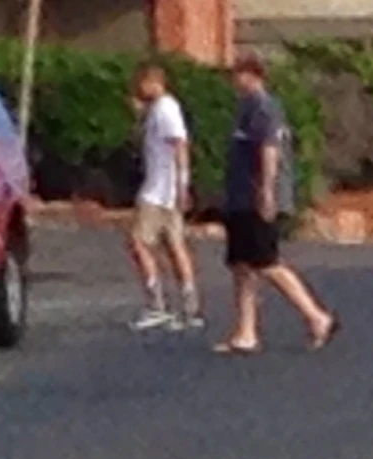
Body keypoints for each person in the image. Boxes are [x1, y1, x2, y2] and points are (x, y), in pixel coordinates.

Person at [216, 54, 337, 355]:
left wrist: (267, 192)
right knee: (242, 265)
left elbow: (269, 150)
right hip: (239, 198)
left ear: (252, 75)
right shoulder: (244, 107)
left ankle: (317, 316)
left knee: (267, 263)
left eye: (237, 74)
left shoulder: (264, 108)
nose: (233, 81)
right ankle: (246, 333)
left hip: (257, 197)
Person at [126, 64, 200, 331]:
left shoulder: (166, 108)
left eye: (141, 84)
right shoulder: (158, 110)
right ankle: (189, 304)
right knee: (173, 244)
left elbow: (179, 144)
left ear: (152, 82)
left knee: (138, 242)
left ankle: (157, 304)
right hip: (162, 189)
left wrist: (182, 184)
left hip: (158, 191)